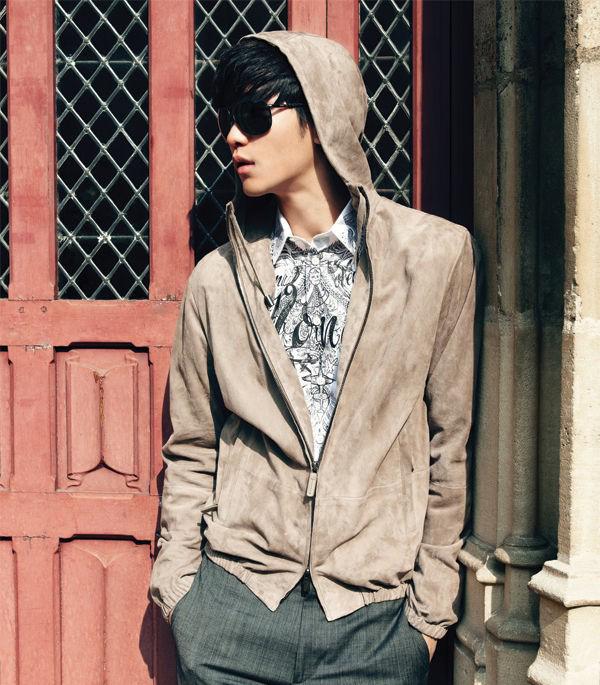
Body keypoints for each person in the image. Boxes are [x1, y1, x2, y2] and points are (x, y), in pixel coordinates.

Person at [149, 29, 483, 685]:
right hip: (232, 605)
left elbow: (450, 440)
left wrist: (427, 615)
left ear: (320, 114)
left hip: (374, 619)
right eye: (228, 119)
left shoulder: (434, 257)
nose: (233, 138)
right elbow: (192, 444)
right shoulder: (216, 280)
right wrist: (180, 590)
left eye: (254, 115)